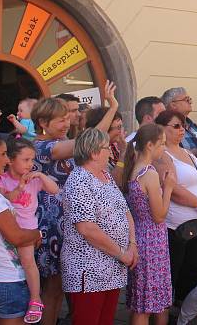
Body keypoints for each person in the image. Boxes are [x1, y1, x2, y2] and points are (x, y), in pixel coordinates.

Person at [33, 81, 119, 325]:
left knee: (59, 290)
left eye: (66, 118)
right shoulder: (41, 147)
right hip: (53, 225)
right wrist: (111, 108)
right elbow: (89, 143)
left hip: (66, 222)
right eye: (60, 120)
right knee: (52, 290)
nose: (67, 123)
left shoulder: (56, 144)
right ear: (42, 123)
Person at [61, 128, 137, 325]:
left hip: (112, 267)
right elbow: (87, 228)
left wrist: (132, 244)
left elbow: (125, 209)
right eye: (107, 148)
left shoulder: (105, 175)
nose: (111, 152)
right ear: (94, 152)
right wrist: (122, 253)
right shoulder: (79, 181)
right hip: (89, 268)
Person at [153, 110, 197, 305]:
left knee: (192, 270)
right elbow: (173, 189)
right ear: (162, 129)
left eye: (183, 126)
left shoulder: (188, 153)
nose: (182, 130)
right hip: (179, 225)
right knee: (178, 270)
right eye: (176, 126)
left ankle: (185, 310)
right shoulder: (162, 156)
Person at [118, 123, 175, 325]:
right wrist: (168, 188)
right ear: (150, 145)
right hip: (152, 240)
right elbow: (159, 216)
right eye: (162, 144)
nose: (164, 149)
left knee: (144, 301)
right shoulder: (149, 173)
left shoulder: (134, 169)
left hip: (141, 236)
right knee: (147, 304)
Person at [0, 137, 58, 323]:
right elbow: (7, 197)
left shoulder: (34, 179)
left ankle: (35, 299)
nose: (30, 164)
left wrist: (41, 175)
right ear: (11, 159)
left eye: (32, 160)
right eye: (25, 160)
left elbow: (54, 190)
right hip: (16, 230)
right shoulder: (3, 180)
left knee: (29, 263)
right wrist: (20, 186)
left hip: (28, 229)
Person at [161, 88, 197, 153]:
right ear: (173, 105)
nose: (191, 102)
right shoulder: (167, 127)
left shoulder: (193, 125)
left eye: (190, 99)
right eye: (187, 100)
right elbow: (167, 152)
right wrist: (190, 154)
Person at [85, 106, 126, 173]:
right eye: (118, 127)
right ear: (106, 128)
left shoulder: (114, 147)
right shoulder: (96, 154)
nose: (121, 131)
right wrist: (123, 154)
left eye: (121, 126)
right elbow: (114, 181)